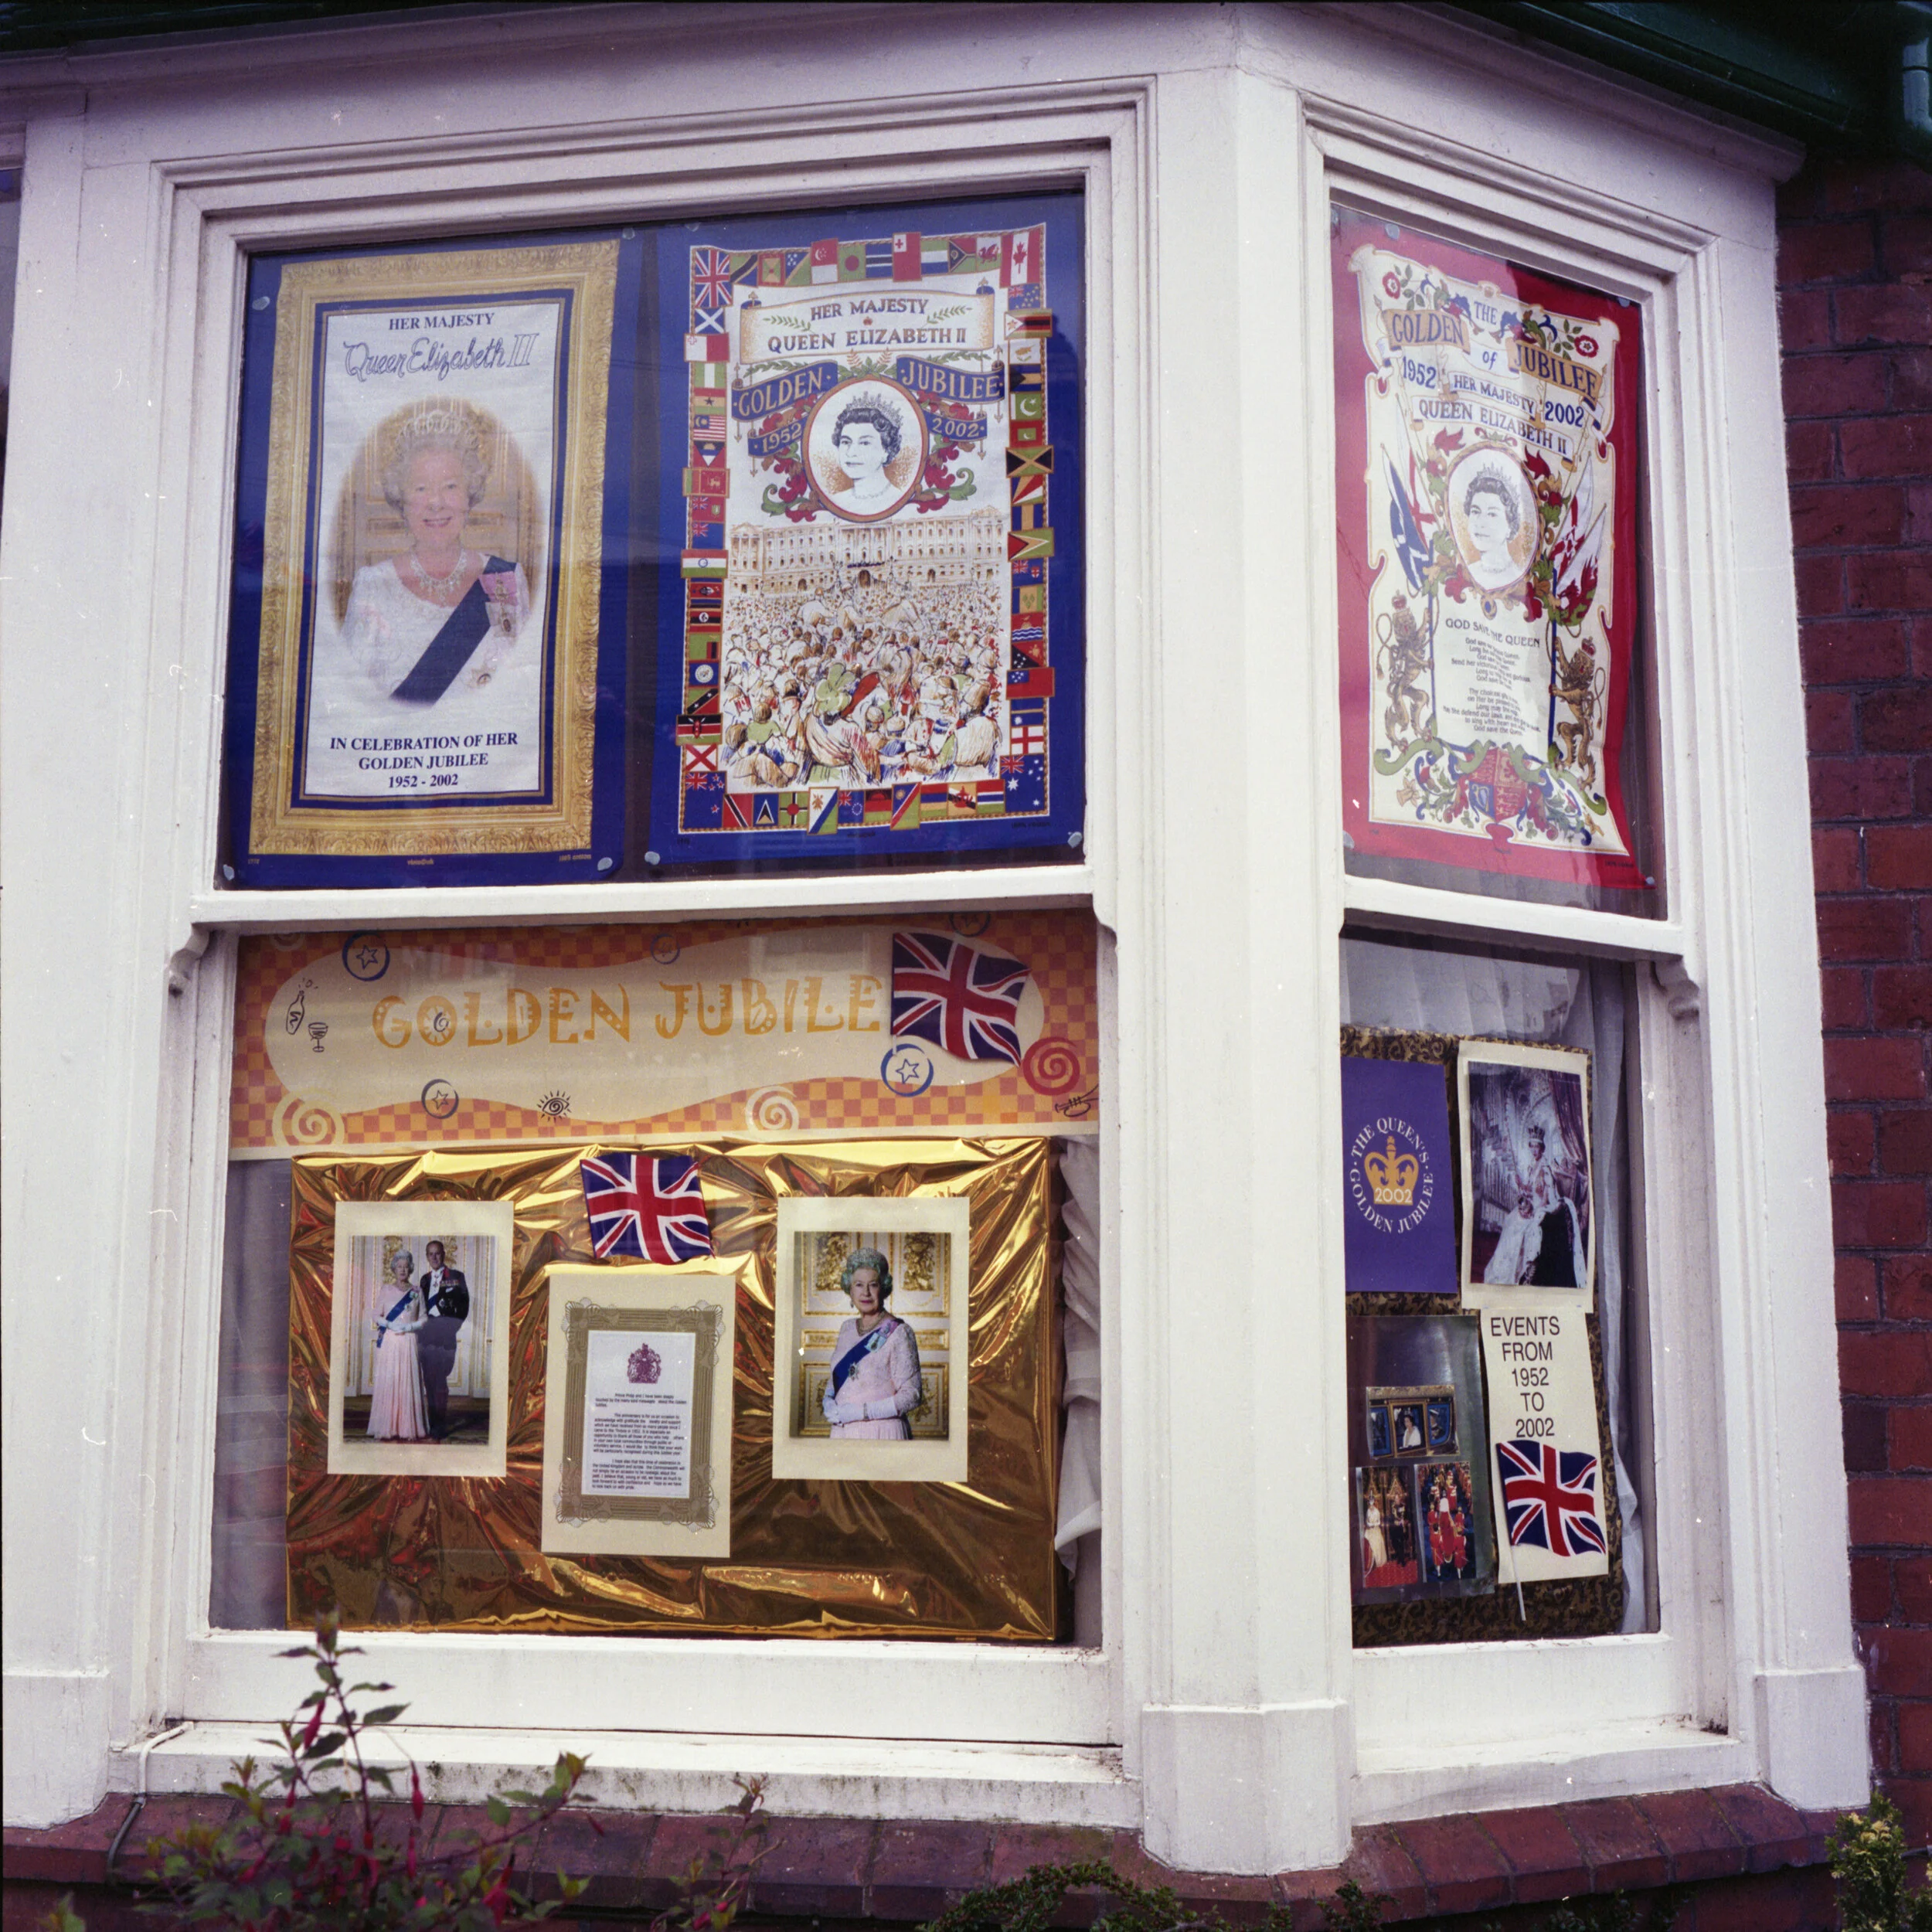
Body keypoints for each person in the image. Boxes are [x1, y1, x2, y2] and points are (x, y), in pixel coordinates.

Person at [341, 406, 531, 705]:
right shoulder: (373, 585)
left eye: (450, 487)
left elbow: (523, 692)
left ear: (470, 495)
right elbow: (353, 701)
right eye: (420, 488)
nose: (436, 503)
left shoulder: (505, 579)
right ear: (401, 501)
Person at [821, 1247, 922, 1439]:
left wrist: (861, 1413)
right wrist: (828, 1399)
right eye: (859, 1285)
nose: (865, 1293)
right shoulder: (847, 1328)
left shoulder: (899, 1332)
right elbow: (841, 1375)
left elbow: (912, 1396)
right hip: (842, 1431)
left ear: (883, 1289)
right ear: (849, 1290)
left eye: (873, 1285)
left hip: (881, 1432)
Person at [366, 1248, 429, 1441]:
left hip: (409, 1341)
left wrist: (410, 1326)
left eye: (406, 1267)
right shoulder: (386, 1290)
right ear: (394, 1269)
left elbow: (424, 1318)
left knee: (407, 1382)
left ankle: (408, 1428)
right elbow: (376, 1314)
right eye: (399, 1266)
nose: (402, 1270)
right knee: (391, 1382)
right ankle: (388, 1427)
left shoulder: (417, 1291)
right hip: (391, 1342)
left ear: (410, 1269)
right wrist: (389, 1324)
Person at [414, 1238, 470, 1440]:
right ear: (427, 1257)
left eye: (438, 1253)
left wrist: (450, 1329)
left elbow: (463, 1308)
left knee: (440, 1382)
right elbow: (420, 1309)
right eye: (431, 1254)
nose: (435, 1257)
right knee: (429, 1381)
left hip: (444, 1337)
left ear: (444, 1254)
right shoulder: (424, 1280)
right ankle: (433, 1423)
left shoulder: (456, 1277)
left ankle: (440, 1424)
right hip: (426, 1337)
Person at [825, 399, 906, 516]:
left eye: (865, 443)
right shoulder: (836, 500)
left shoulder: (898, 499)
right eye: (846, 442)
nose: (851, 452)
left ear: (887, 451)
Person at [1459, 467, 1528, 591]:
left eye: (1492, 514)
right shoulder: (1469, 572)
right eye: (1475, 511)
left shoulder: (1518, 579)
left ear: (1510, 527)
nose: (1481, 523)